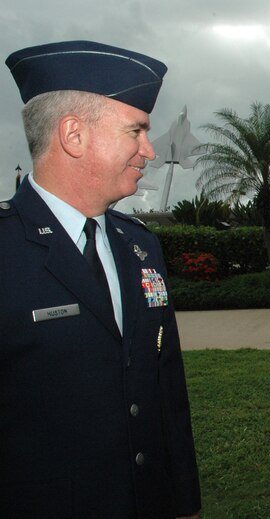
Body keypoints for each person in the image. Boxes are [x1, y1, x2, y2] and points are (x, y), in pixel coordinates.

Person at [1, 41, 201, 518]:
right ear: (74, 135)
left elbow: (166, 387)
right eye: (136, 131)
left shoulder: (140, 245)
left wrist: (184, 501)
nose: (149, 151)